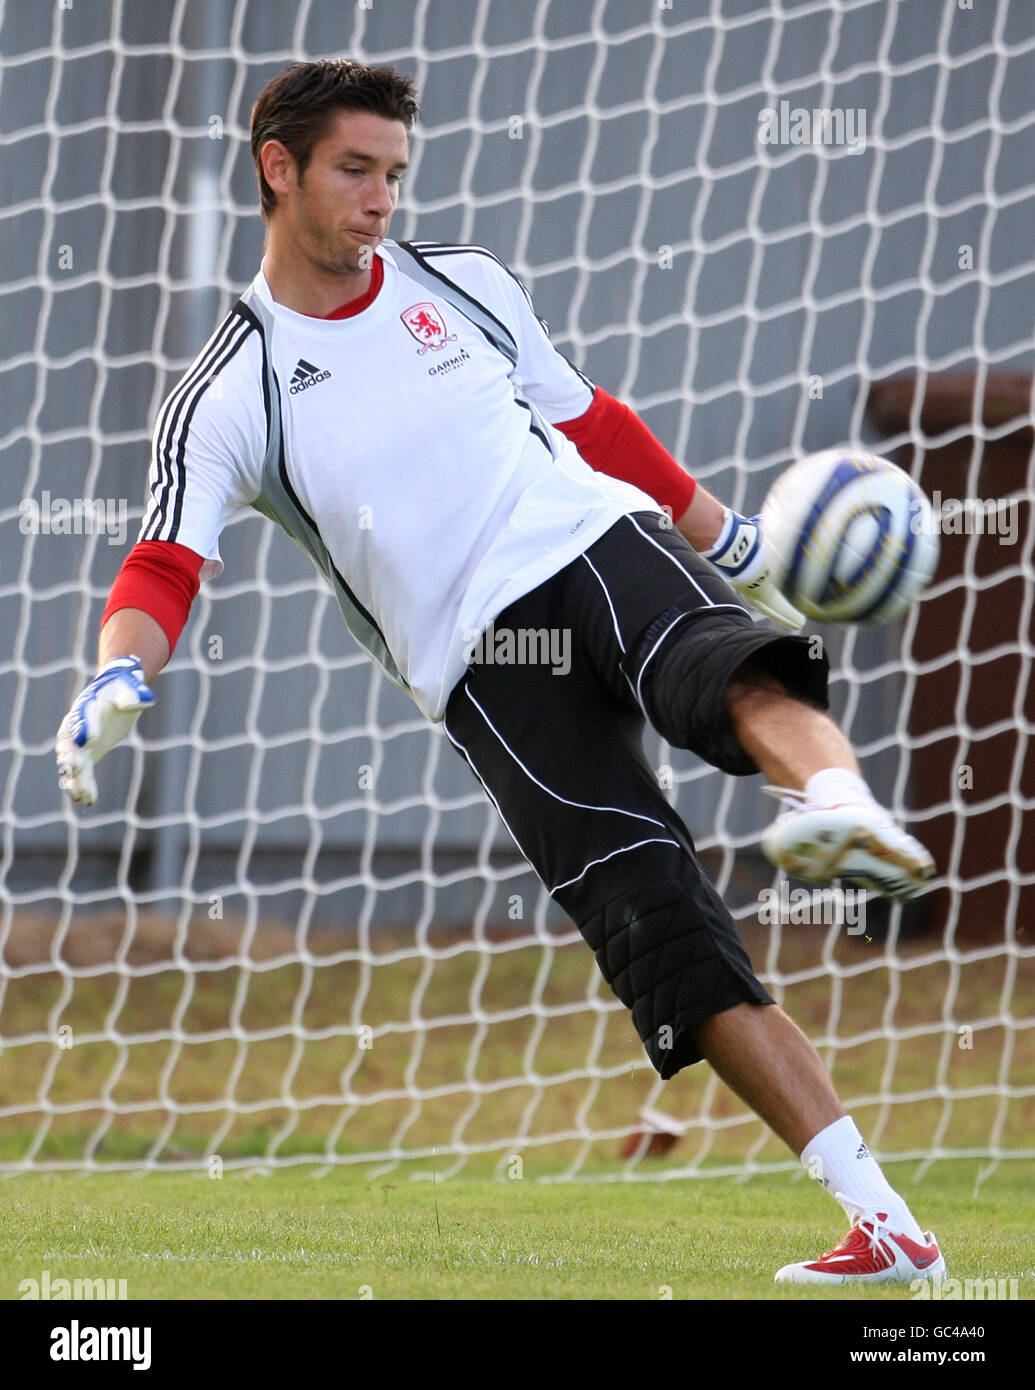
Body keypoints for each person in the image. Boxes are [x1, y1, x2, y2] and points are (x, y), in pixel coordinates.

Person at [55, 60, 942, 1285]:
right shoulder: (229, 389)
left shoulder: (461, 283)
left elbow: (593, 428)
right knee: (665, 932)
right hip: (479, 671)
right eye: (355, 172)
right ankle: (885, 1223)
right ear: (279, 170)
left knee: (719, 667)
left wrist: (729, 536)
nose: (380, 201)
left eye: (394, 175)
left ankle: (837, 807)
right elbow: (162, 567)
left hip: (586, 537)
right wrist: (112, 677)